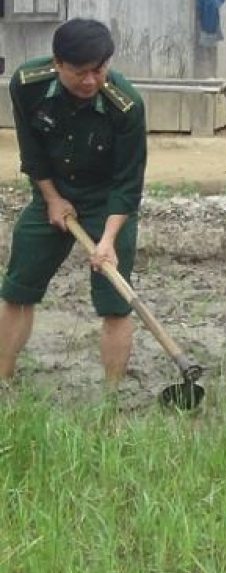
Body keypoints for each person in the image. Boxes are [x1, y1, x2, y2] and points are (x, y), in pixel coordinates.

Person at [1, 19, 146, 385]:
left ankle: (111, 402)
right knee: (18, 290)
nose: (91, 82)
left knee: (116, 303)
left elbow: (128, 183)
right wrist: (51, 199)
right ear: (57, 63)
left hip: (106, 202)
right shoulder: (26, 85)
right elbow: (32, 153)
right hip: (52, 191)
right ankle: (2, 383)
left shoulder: (125, 105)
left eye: (99, 70)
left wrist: (108, 240)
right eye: (80, 73)